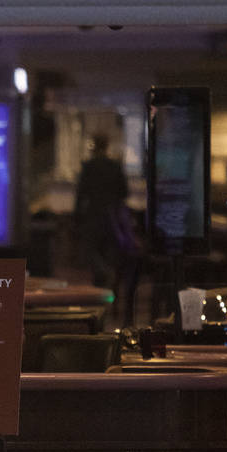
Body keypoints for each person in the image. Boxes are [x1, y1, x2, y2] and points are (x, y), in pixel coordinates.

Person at [74, 134, 140, 325]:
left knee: (91, 253)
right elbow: (124, 193)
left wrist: (78, 217)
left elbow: (81, 194)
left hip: (93, 217)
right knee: (111, 257)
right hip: (113, 220)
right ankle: (109, 300)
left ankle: (98, 305)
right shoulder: (114, 166)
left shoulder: (89, 166)